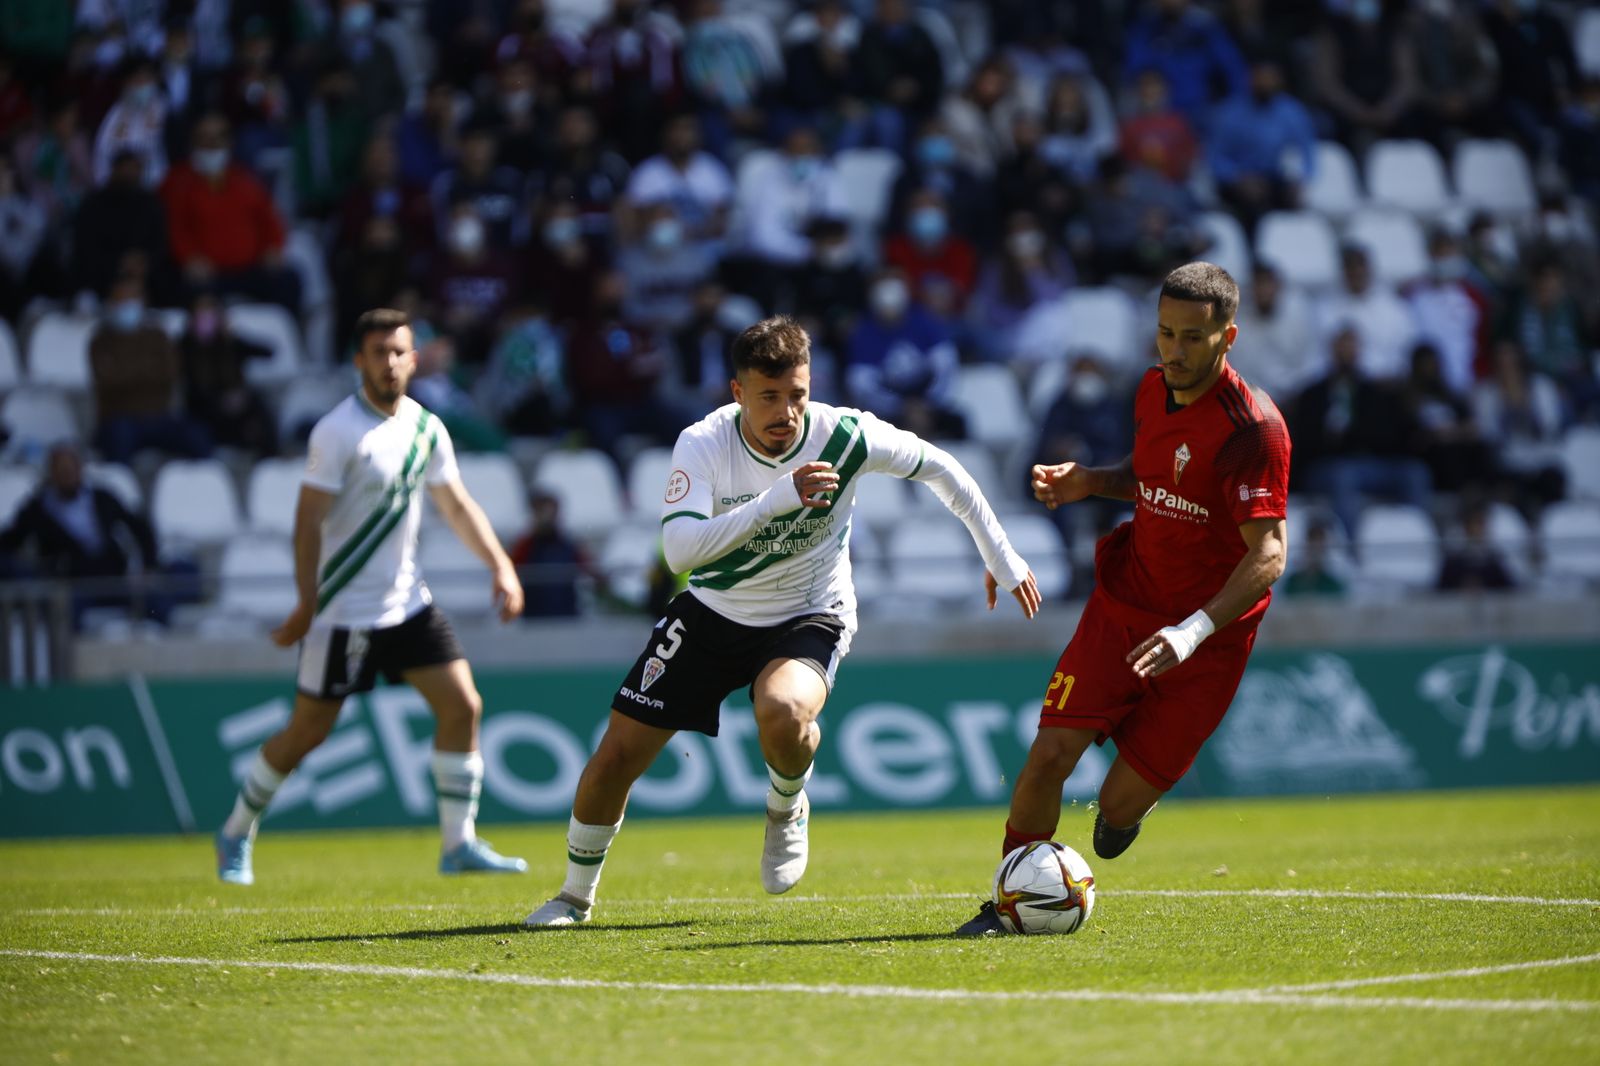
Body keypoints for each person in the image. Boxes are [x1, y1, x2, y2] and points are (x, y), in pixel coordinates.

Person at [522, 315, 1041, 927]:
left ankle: (786, 808)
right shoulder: (704, 442)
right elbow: (680, 552)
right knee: (615, 759)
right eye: (768, 397)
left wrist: (1001, 557)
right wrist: (777, 501)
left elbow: (942, 469)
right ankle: (575, 897)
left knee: (783, 711)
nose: (785, 412)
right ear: (737, 393)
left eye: (796, 394)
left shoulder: (845, 436)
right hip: (713, 611)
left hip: (809, 611)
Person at [955, 262, 1290, 935]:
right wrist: (1090, 483)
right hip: (1125, 603)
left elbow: (1270, 552)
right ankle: (1007, 906)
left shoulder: (1253, 429)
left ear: (1229, 336)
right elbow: (1152, 480)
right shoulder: (1147, 390)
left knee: (1116, 807)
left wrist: (1191, 632)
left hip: (1207, 641)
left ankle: (1126, 814)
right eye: (1166, 333)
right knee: (1048, 756)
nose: (1175, 351)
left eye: (1193, 337)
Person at [214, 308, 529, 886]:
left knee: (463, 707)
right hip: (345, 612)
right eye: (378, 352)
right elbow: (307, 523)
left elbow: (456, 505)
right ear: (359, 360)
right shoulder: (336, 432)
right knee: (308, 732)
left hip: (408, 602)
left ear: (414, 358)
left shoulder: (426, 427)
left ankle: (458, 843)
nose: (389, 362)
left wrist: (501, 567)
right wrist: (306, 604)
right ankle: (236, 831)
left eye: (399, 351)